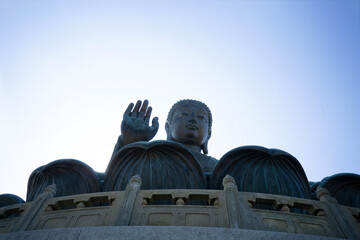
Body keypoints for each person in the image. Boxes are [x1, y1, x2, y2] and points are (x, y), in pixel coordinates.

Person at [111, 99, 217, 174]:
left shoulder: (218, 166)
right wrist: (128, 142)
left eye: (201, 118)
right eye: (183, 115)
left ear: (209, 134)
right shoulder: (150, 157)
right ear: (167, 128)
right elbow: (111, 181)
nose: (193, 119)